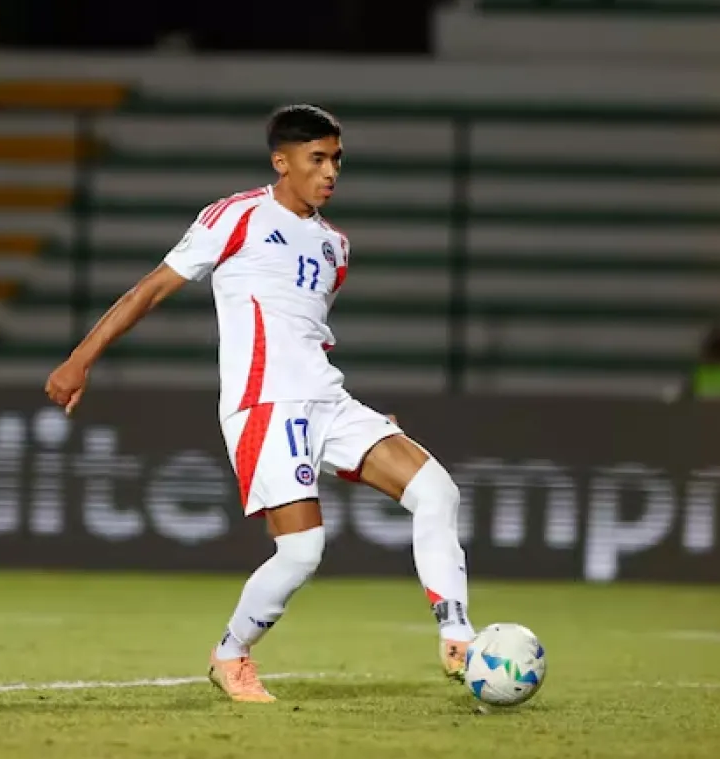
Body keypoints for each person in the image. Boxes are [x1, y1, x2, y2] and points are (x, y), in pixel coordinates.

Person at [45, 105, 473, 703]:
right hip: (266, 404)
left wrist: (362, 422)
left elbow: (306, 336)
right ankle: (231, 654)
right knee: (301, 551)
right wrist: (81, 357)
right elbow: (151, 290)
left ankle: (457, 634)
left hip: (328, 399)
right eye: (317, 159)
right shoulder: (236, 217)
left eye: (337, 160)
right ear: (283, 161)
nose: (330, 172)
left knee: (438, 491)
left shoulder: (335, 246)